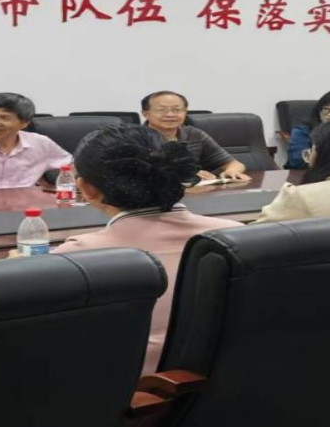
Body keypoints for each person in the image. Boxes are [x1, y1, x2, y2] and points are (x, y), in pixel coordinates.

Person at [52, 124, 242, 368]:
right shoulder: (236, 236)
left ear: (86, 189)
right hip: (229, 374)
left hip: (136, 382)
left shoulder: (77, 256)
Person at [139, 90, 249, 182]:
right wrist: (186, 174)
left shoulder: (194, 134)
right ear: (145, 114)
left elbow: (234, 163)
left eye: (177, 110)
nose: (170, 115)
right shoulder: (135, 138)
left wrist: (232, 171)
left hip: (197, 194)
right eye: (161, 110)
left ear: (185, 112)